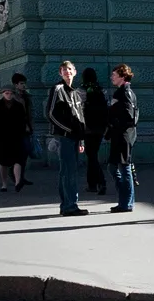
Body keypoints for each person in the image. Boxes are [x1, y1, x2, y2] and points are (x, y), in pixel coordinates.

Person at [47, 60, 88, 216]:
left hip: (75, 138)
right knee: (67, 171)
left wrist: (81, 139)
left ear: (75, 72)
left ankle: (69, 204)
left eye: (69, 69)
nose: (67, 72)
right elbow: (51, 114)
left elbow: (80, 118)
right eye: (64, 70)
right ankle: (69, 205)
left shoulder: (75, 93)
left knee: (70, 171)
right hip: (64, 137)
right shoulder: (58, 89)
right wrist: (68, 131)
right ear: (60, 73)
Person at [0, 86, 29, 192]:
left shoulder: (18, 106)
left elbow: (23, 119)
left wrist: (23, 131)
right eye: (6, 93)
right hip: (1, 137)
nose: (8, 95)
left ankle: (18, 182)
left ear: (13, 94)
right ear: (3, 94)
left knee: (18, 159)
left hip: (16, 136)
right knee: (3, 162)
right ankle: (4, 184)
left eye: (10, 93)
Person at [106, 64, 138, 213]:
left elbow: (129, 116)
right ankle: (125, 199)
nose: (112, 77)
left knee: (124, 169)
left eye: (114, 75)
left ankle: (126, 202)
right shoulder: (123, 91)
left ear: (122, 76)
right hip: (120, 134)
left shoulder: (124, 93)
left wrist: (113, 110)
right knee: (113, 167)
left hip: (123, 135)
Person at [80, 67, 108, 196]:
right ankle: (92, 184)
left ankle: (101, 182)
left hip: (87, 128)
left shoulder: (80, 91)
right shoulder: (102, 90)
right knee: (92, 155)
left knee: (91, 156)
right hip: (100, 128)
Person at [11, 73, 35, 188]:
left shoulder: (27, 96)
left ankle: (21, 176)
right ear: (15, 85)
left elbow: (30, 113)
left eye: (24, 83)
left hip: (26, 128)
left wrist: (31, 127)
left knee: (25, 153)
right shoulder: (12, 97)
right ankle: (16, 175)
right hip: (16, 130)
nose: (24, 85)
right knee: (19, 154)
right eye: (21, 83)